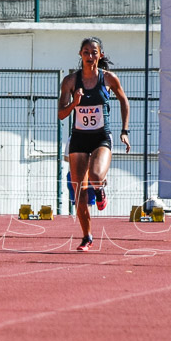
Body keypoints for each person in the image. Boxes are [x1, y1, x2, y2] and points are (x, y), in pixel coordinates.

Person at [58, 38, 130, 251]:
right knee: (79, 190)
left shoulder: (108, 79)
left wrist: (124, 131)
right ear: (80, 54)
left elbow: (124, 101)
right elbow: (61, 114)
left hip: (100, 137)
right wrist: (74, 103)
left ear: (100, 55)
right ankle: (86, 236)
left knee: (96, 175)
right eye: (86, 52)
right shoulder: (70, 81)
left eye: (94, 52)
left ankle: (99, 190)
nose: (90, 56)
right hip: (79, 138)